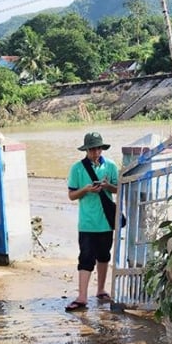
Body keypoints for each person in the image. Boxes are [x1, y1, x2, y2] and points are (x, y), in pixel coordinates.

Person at [65, 131, 120, 312]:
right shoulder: (77, 169)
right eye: (92, 150)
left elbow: (118, 189)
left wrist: (106, 186)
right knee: (86, 258)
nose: (96, 153)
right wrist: (87, 189)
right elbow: (72, 195)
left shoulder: (111, 166)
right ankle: (82, 297)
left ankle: (101, 289)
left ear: (102, 148)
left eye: (98, 149)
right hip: (87, 222)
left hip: (106, 221)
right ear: (86, 150)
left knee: (104, 255)